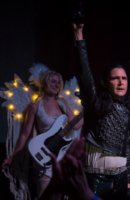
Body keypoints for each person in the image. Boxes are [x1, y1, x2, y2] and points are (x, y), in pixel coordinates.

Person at [72, 22, 130, 199]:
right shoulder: (94, 103)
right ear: (104, 82)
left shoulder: (127, 109)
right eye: (115, 78)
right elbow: (84, 72)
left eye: (124, 78)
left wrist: (128, 180)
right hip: (96, 178)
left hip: (121, 178)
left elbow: (126, 145)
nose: (121, 82)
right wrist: (79, 35)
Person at [1, 68, 84, 199]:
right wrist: (12, 158)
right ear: (45, 83)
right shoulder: (35, 106)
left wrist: (89, 112)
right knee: (44, 195)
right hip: (44, 155)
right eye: (53, 81)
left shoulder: (62, 102)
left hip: (62, 154)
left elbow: (76, 124)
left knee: (59, 195)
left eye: (58, 83)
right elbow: (24, 134)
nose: (56, 85)